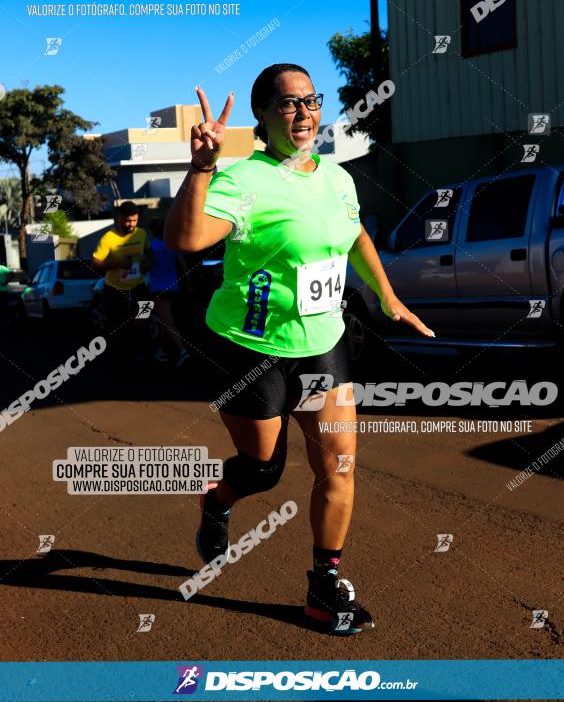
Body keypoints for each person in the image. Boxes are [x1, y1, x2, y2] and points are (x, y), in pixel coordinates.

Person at [165, 64, 435, 635]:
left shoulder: (338, 178)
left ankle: (323, 582)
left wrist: (386, 296)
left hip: (323, 344)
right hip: (248, 348)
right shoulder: (242, 181)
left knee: (338, 467)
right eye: (288, 105)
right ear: (263, 117)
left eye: (311, 101)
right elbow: (186, 240)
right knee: (263, 470)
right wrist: (203, 167)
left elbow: (354, 231)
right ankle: (217, 501)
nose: (304, 113)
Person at [92, 201, 151, 368]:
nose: (131, 224)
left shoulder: (141, 234)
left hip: (139, 287)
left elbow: (148, 252)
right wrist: (116, 264)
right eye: (127, 221)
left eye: (134, 220)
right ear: (119, 218)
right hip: (115, 290)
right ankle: (120, 362)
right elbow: (96, 263)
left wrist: (148, 263)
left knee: (142, 322)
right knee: (118, 327)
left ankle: (142, 356)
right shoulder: (108, 239)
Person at [147, 217, 190, 366]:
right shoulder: (172, 244)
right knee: (165, 320)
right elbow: (182, 265)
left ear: (152, 232)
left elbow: (147, 265)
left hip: (158, 287)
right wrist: (188, 284)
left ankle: (182, 350)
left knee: (168, 322)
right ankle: (162, 350)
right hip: (173, 286)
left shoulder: (151, 246)